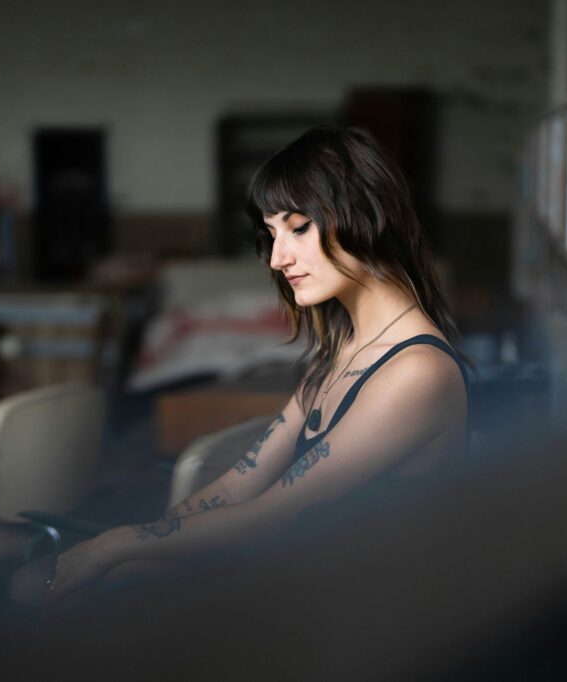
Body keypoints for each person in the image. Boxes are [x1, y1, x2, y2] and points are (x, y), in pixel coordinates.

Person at [44, 125, 471, 603]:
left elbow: (274, 513)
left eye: (299, 227)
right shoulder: (341, 350)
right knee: (68, 584)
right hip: (312, 587)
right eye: (271, 234)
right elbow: (236, 486)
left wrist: (113, 546)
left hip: (370, 613)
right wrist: (130, 551)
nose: (277, 259)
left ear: (366, 215)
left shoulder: (417, 371)